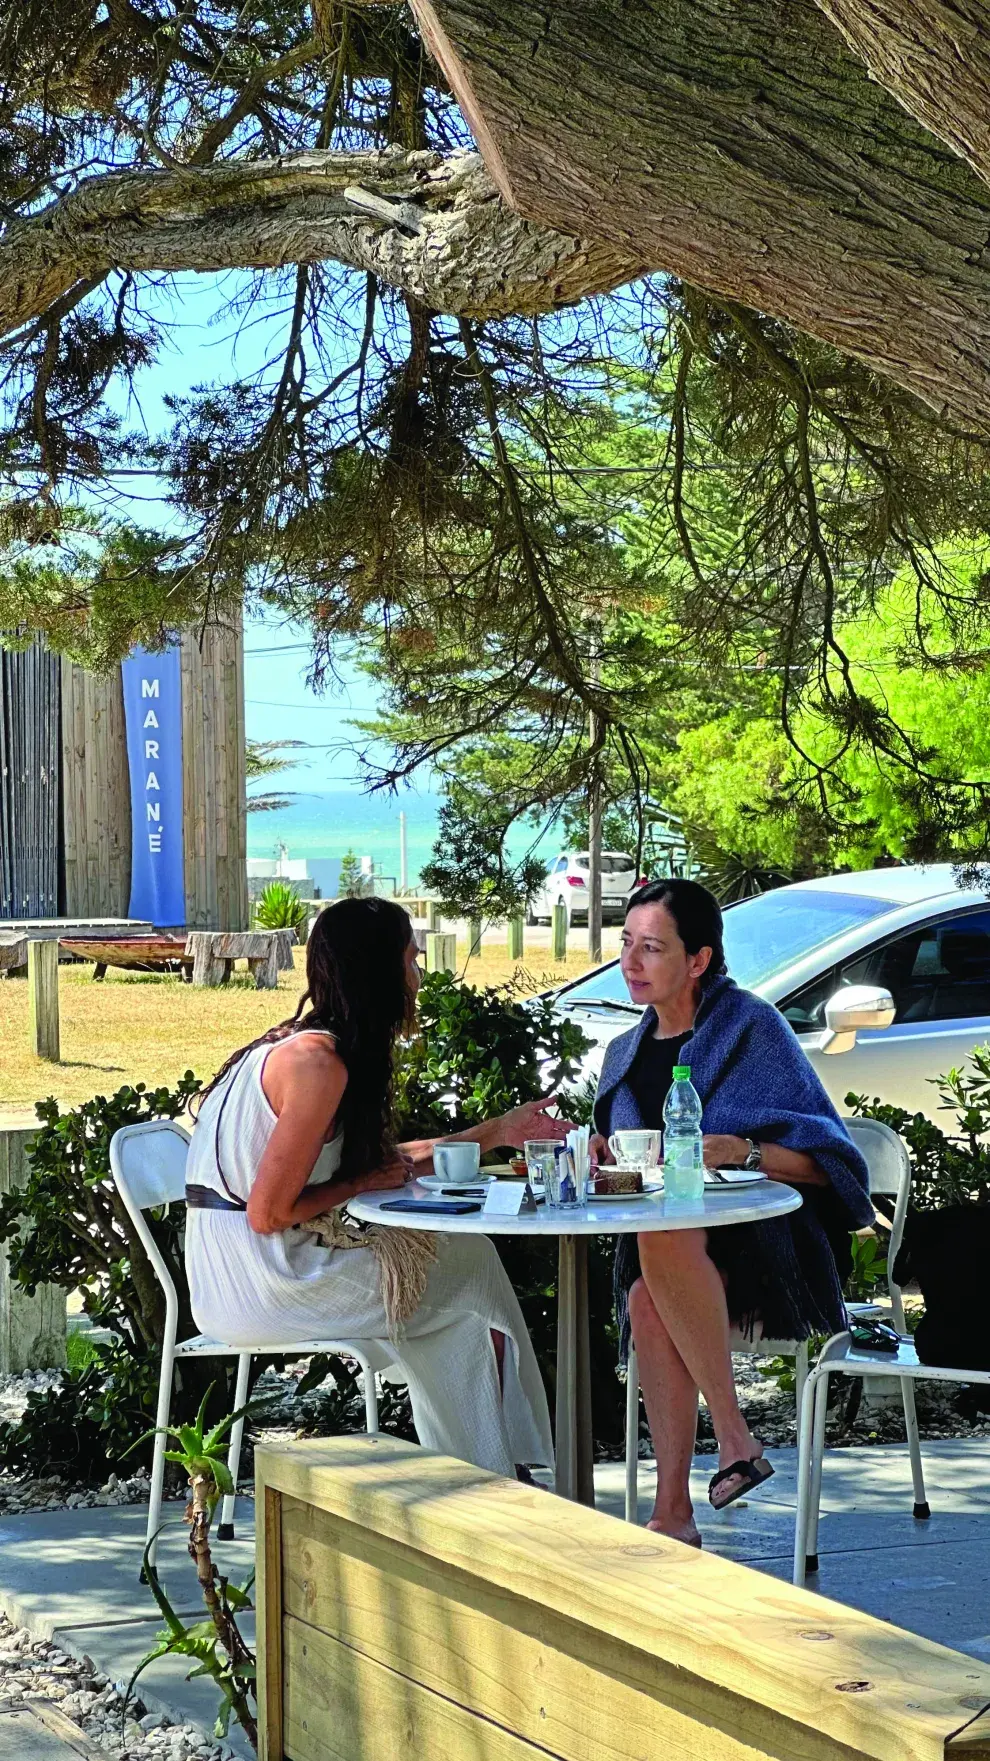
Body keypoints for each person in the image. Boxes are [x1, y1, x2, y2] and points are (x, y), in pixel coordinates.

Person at [185, 897, 565, 1478]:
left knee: (460, 1320)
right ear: (378, 970)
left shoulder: (298, 1043)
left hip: (237, 1271)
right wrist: (358, 1182)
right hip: (264, 1279)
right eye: (410, 960)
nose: (417, 976)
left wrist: (500, 1132)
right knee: (474, 1272)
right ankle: (511, 1472)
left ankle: (481, 1479)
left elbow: (385, 1166)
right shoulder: (317, 1065)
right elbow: (268, 1213)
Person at [592, 878, 873, 1545]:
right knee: (644, 1295)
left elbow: (831, 1165)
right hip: (671, 1251)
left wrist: (746, 1149)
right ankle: (676, 1511)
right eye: (626, 943)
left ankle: (731, 1434)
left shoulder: (751, 1027)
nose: (631, 961)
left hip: (770, 1244)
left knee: (660, 1246)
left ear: (698, 959)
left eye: (652, 947)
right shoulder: (622, 1055)